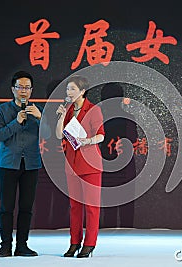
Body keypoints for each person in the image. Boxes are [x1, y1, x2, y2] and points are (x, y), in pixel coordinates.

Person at [0, 70, 43, 257]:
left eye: (27, 88)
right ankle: (5, 245)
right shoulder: (2, 110)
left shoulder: (37, 111)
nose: (24, 91)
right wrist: (16, 122)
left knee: (26, 207)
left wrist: (40, 118)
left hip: (31, 165)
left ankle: (22, 245)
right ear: (13, 89)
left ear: (31, 90)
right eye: (20, 87)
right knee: (7, 207)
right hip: (8, 165)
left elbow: (50, 134)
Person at [55, 75, 105, 258]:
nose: (69, 93)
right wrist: (61, 117)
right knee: (75, 206)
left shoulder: (93, 110)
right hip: (72, 164)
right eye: (67, 89)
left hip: (91, 164)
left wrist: (87, 141)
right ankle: (74, 242)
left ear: (82, 91)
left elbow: (101, 135)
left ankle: (89, 243)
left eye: (72, 89)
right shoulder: (68, 110)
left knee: (91, 207)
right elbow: (60, 135)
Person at [99, 83, 138, 228]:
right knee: (127, 205)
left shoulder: (99, 117)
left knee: (108, 204)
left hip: (105, 164)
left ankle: (108, 235)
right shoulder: (128, 117)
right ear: (121, 98)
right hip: (126, 165)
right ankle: (127, 235)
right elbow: (134, 140)